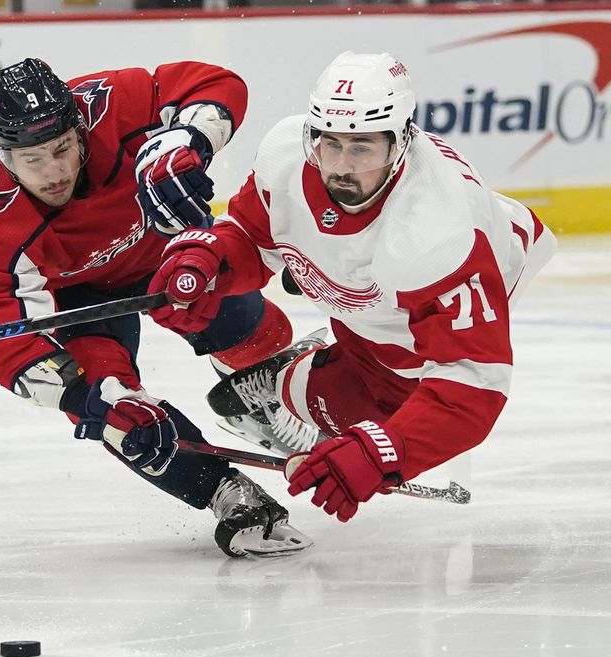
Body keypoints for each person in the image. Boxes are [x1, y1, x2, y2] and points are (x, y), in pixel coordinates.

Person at [147, 51, 556, 523]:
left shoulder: (438, 235)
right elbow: (251, 235)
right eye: (330, 144)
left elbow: (472, 381)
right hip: (375, 287)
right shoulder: (286, 154)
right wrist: (209, 259)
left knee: (393, 410)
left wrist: (384, 451)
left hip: (465, 276)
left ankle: (286, 380)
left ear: (402, 140)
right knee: (373, 372)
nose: (340, 166)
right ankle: (312, 361)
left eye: (362, 147)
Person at [0, 57, 312, 558]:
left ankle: (256, 392)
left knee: (261, 333)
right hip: (80, 302)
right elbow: (2, 337)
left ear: (79, 127)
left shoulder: (110, 104)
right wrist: (80, 398)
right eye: (33, 160)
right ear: (2, 153)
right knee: (123, 417)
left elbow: (218, 82)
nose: (54, 172)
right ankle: (226, 494)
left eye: (62, 149)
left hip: (164, 251)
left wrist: (188, 139)